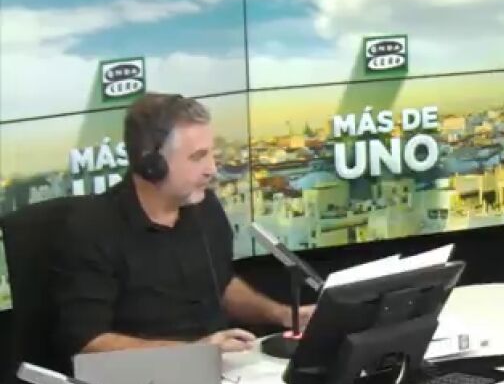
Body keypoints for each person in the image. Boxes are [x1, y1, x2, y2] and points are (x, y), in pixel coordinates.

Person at [53, 93, 314, 356]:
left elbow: (221, 285)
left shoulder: (205, 207)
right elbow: (89, 341)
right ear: (151, 164)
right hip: (149, 376)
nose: (212, 169)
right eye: (197, 157)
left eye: (211, 154)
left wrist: (282, 314)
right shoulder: (93, 228)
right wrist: (193, 352)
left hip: (221, 367)